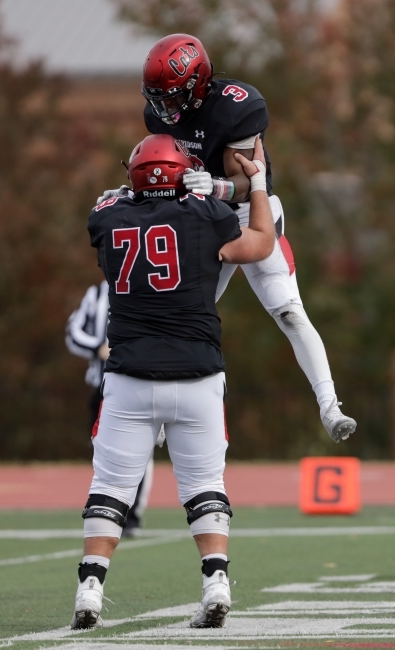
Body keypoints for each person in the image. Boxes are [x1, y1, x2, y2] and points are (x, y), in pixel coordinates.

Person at [70, 133, 275, 630]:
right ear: (184, 172)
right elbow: (263, 243)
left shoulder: (108, 219)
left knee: (111, 486)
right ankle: (216, 581)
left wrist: (129, 196)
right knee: (205, 484)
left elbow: (115, 207)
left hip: (130, 376)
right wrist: (257, 184)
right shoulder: (207, 215)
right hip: (198, 374)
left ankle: (90, 590)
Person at [131, 33, 356, 443]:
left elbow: (250, 179)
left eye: (171, 96)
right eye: (157, 98)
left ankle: (329, 404)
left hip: (251, 211)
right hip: (202, 218)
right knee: (181, 315)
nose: (163, 109)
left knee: (287, 310)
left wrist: (215, 187)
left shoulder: (237, 107)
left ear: (197, 84)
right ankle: (163, 413)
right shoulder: (161, 114)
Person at [65, 281, 161, 536]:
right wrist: (98, 347)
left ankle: (131, 515)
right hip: (102, 387)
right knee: (103, 449)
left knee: (140, 450)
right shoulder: (96, 294)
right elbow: (73, 331)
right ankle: (107, 508)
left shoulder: (149, 289)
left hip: (137, 384)